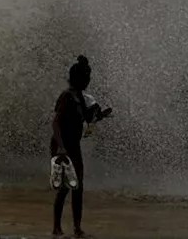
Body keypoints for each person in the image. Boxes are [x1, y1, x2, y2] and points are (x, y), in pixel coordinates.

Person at [51, 55, 112, 238]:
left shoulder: (80, 97)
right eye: (86, 78)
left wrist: (100, 116)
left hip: (74, 145)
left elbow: (87, 118)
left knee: (78, 186)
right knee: (64, 187)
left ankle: (77, 228)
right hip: (61, 145)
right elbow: (55, 124)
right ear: (77, 78)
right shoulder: (67, 96)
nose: (88, 81)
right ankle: (56, 228)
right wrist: (61, 148)